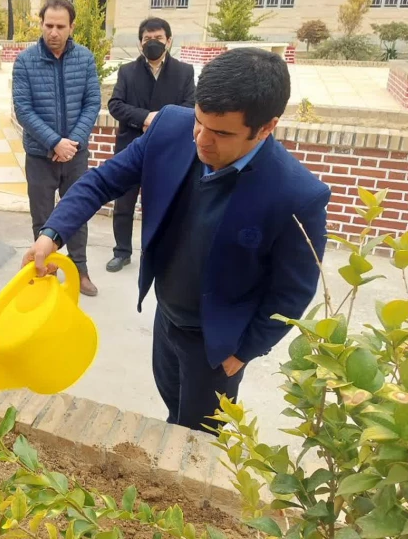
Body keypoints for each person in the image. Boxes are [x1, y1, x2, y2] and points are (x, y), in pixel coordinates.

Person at [23, 48, 330, 432]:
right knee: (173, 412)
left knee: (197, 438)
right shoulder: (170, 128)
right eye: (200, 123)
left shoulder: (297, 194)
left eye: (221, 133)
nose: (202, 140)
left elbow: (293, 291)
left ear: (266, 127)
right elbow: (102, 181)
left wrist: (246, 350)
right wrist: (51, 234)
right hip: (166, 317)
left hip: (218, 345)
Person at [12, 0, 101, 297]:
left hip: (75, 155)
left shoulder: (85, 59)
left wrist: (71, 143)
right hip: (40, 155)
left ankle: (80, 270)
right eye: (48, 25)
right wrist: (54, 142)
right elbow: (23, 109)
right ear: (41, 24)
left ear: (72, 27)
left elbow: (92, 103)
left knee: (77, 212)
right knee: (43, 216)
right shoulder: (26, 61)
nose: (53, 32)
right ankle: (46, 269)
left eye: (60, 26)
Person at [106, 17, 195, 273]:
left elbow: (191, 106)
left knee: (160, 204)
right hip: (130, 148)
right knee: (123, 204)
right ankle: (121, 251)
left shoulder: (184, 72)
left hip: (167, 150)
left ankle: (155, 252)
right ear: (140, 43)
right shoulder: (127, 71)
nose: (152, 43)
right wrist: (145, 117)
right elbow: (116, 105)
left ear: (169, 40)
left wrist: (161, 120)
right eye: (147, 39)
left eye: (158, 38)